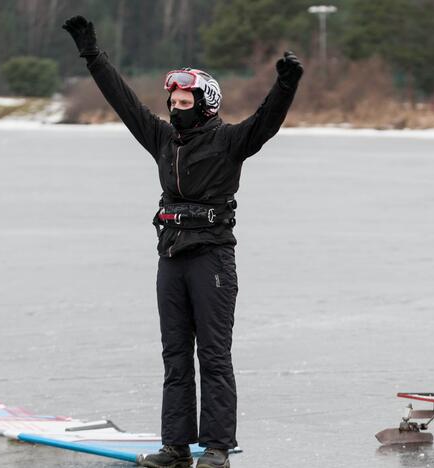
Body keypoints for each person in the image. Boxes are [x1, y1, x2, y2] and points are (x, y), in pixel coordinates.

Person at [62, 15, 303, 468]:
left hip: (211, 260)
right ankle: (175, 447)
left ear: (204, 103)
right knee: (175, 357)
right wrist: (92, 54)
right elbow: (124, 101)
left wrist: (285, 85)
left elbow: (266, 122)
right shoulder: (162, 139)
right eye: (172, 98)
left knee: (213, 356)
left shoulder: (230, 142)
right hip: (170, 257)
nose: (175, 105)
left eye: (184, 98)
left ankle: (216, 448)